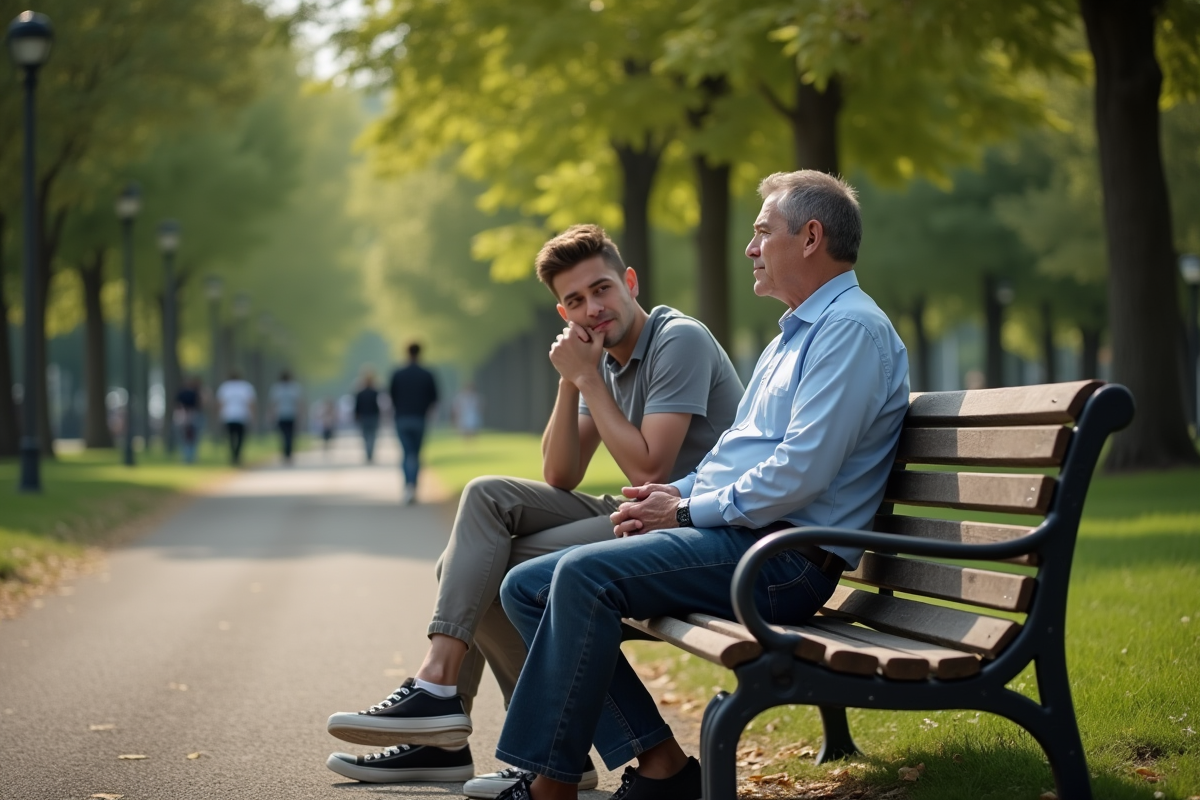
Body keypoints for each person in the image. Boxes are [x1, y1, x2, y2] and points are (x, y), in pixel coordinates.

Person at [489, 171, 911, 800]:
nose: (750, 247)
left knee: (579, 577)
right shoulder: (794, 336)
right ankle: (661, 766)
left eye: (763, 232)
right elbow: (733, 457)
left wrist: (685, 511)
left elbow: (801, 473)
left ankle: (549, 789)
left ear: (811, 238)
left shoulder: (848, 330)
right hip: (748, 540)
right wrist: (671, 497)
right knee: (526, 586)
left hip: (784, 558)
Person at [323, 224, 745, 791]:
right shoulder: (603, 360)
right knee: (485, 496)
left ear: (629, 280)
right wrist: (571, 382)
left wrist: (587, 378)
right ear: (561, 310)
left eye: (601, 290)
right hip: (641, 515)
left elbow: (651, 470)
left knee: (500, 571)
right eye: (575, 301)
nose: (593, 309)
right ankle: (439, 688)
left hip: (688, 523)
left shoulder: (677, 340)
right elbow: (560, 473)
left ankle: (522, 750)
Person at [388, 343, 439, 504]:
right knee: (416, 454)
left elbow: (391, 396)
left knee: (406, 453)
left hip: (402, 418)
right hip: (419, 418)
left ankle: (408, 486)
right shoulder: (427, 374)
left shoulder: (398, 373)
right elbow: (434, 397)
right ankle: (413, 485)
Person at [216, 370, 256, 466]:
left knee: (230, 437)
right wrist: (253, 415)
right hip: (242, 416)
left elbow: (220, 403)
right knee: (241, 437)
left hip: (228, 416)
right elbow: (250, 403)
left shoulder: (225, 387)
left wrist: (219, 415)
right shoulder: (246, 387)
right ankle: (237, 455)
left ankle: (233, 455)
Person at [269, 370, 303, 465]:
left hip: (281, 415)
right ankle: (289, 454)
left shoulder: (277, 388)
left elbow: (273, 403)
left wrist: (271, 414)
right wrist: (300, 415)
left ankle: (285, 453)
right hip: (292, 414)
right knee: (290, 436)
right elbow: (298, 403)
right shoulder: (294, 388)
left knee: (283, 436)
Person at [175, 376, 203, 464]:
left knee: (185, 436)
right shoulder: (194, 393)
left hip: (183, 415)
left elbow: (177, 404)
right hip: (192, 415)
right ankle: (191, 456)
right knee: (192, 436)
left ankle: (187, 456)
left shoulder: (181, 392)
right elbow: (199, 404)